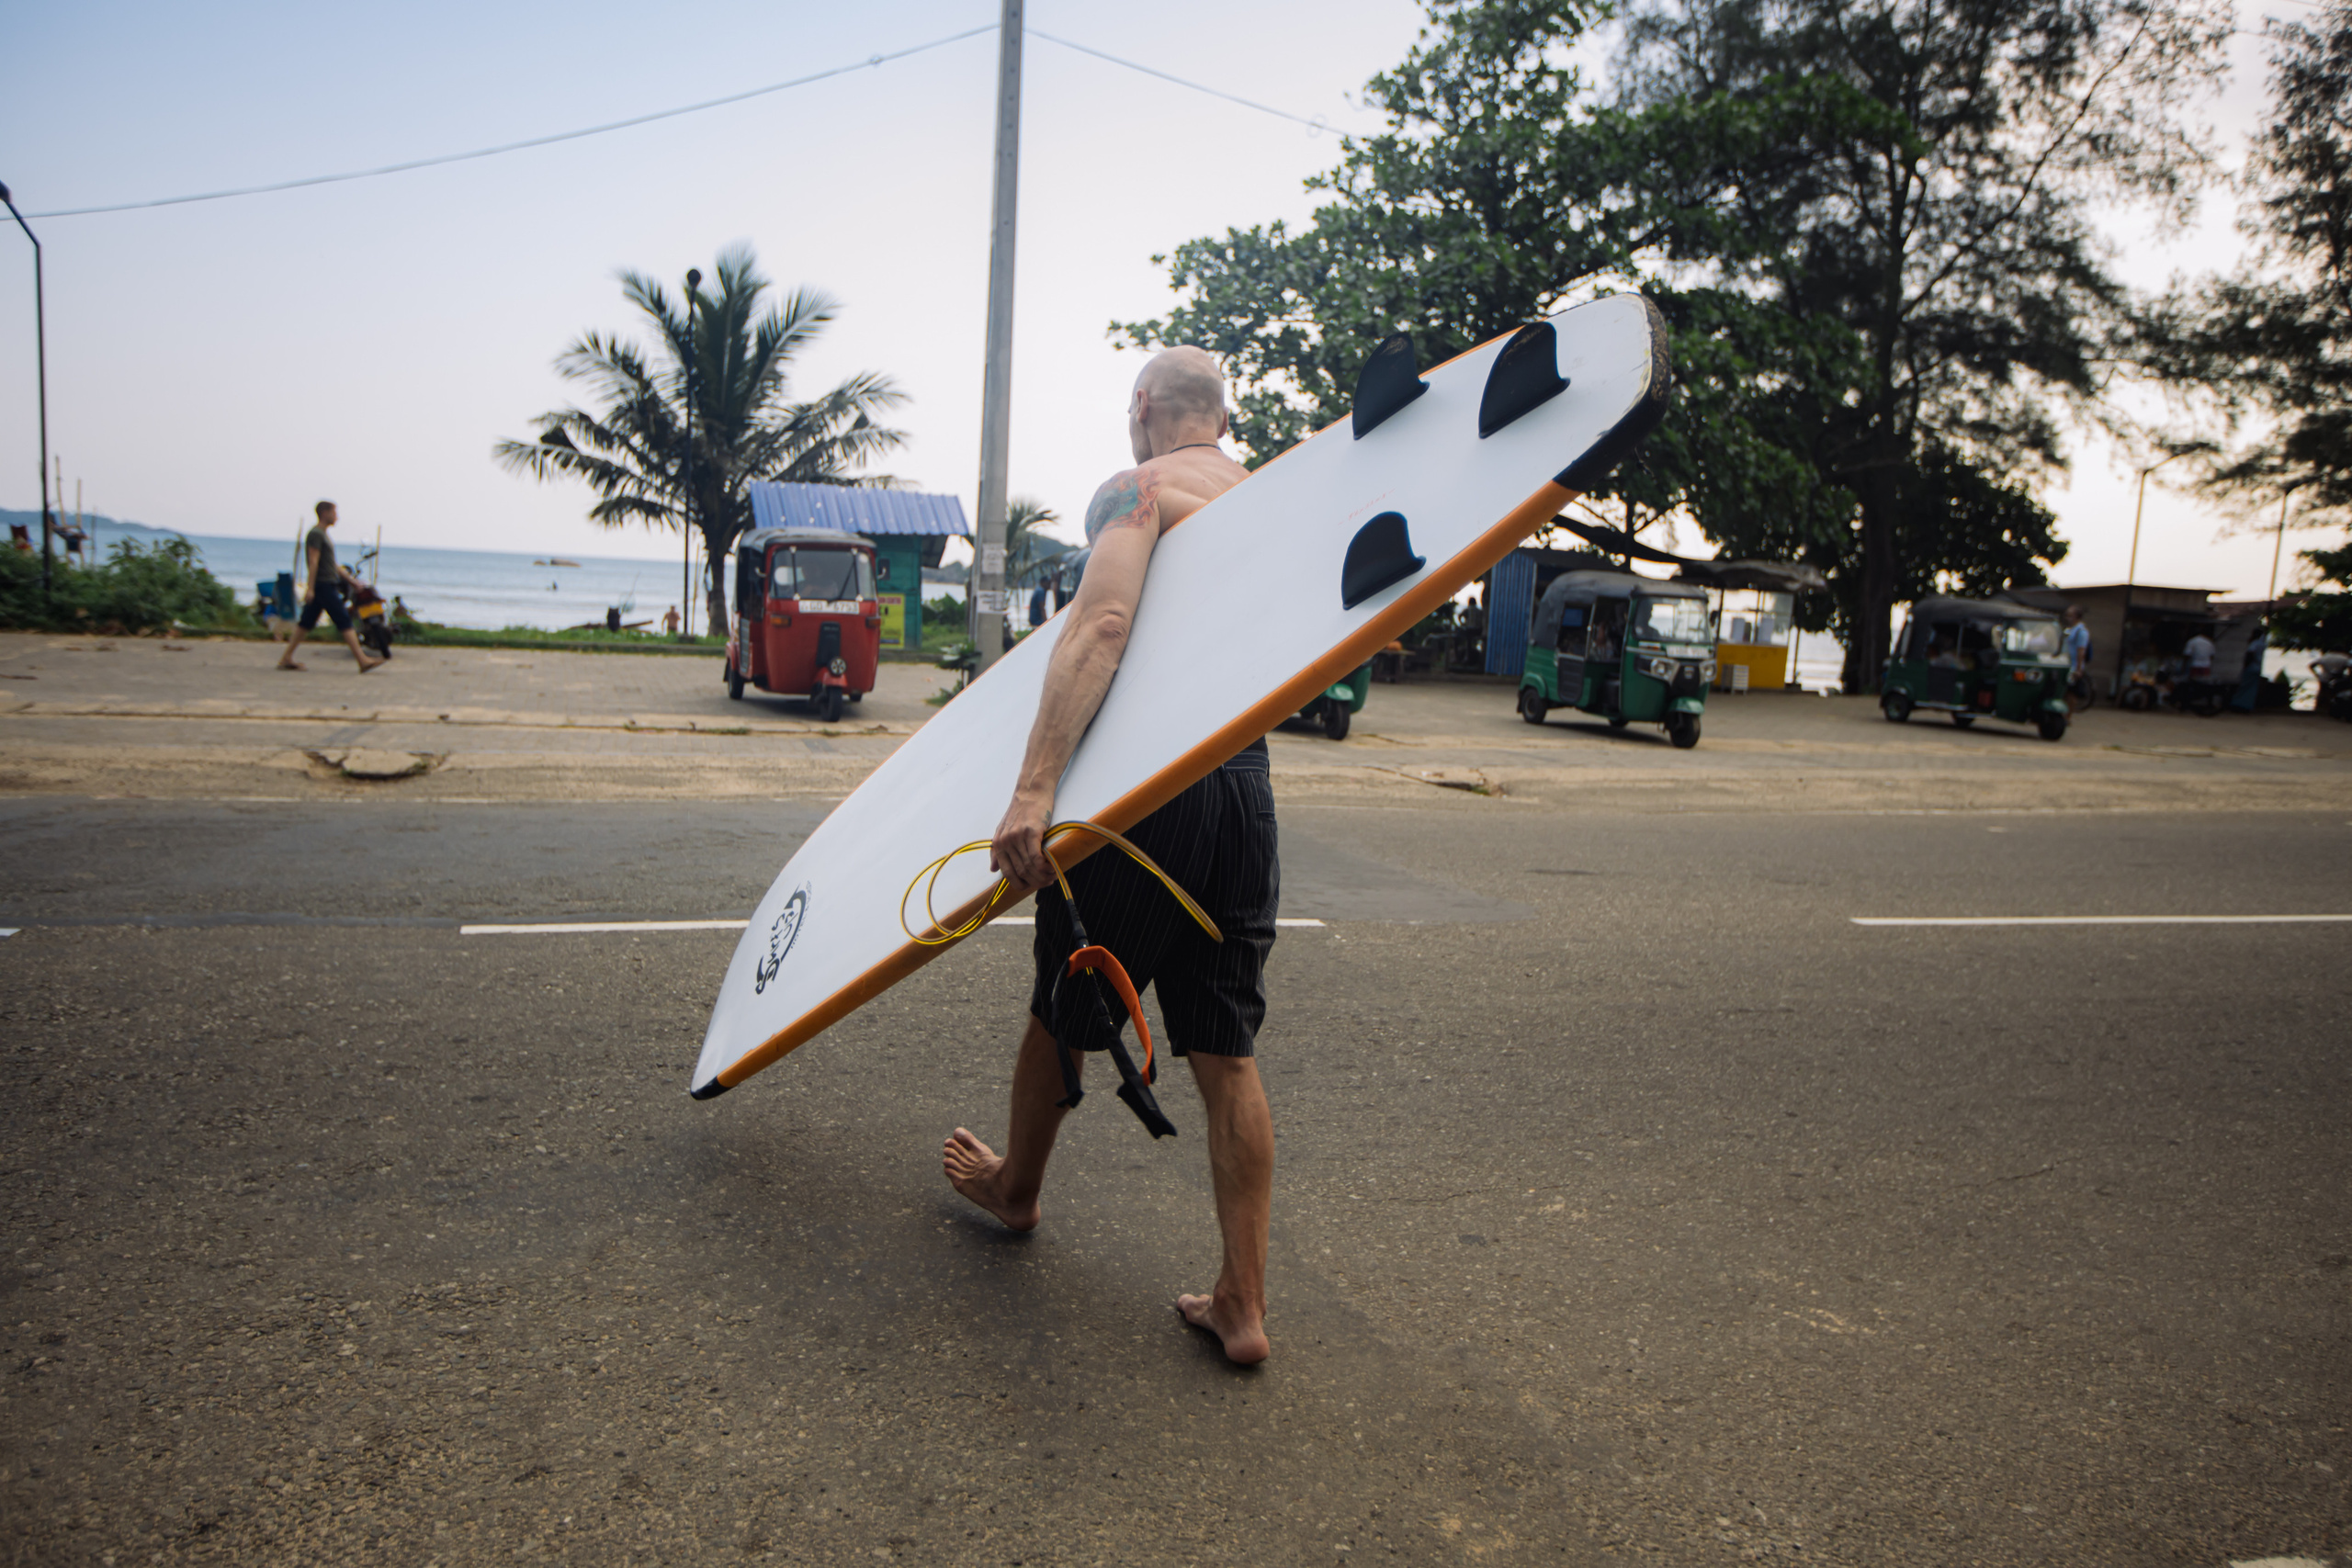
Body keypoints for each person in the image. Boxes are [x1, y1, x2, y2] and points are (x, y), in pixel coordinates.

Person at [941, 346, 1277, 1365]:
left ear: (1143, 409)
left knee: (1066, 1002)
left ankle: (1017, 1191)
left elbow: (1102, 625)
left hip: (1149, 791)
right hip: (1244, 786)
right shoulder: (1272, 500)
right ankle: (1243, 1304)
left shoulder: (1143, 489)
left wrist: (1035, 786)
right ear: (1222, 417)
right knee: (1225, 1051)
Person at [276, 501, 384, 672]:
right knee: (344, 620)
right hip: (323, 585)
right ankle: (362, 660)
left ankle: (286, 658)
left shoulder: (324, 535)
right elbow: (313, 561)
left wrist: (352, 581)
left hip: (325, 584)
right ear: (325, 513)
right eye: (334, 512)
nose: (337, 516)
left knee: (306, 623)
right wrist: (310, 588)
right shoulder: (316, 534)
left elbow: (333, 564)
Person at [2233, 620, 2270, 713]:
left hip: (2251, 667)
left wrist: (2245, 666)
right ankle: (2247, 705)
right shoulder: (2262, 644)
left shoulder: (2254, 644)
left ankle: (2239, 704)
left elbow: (2250, 654)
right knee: (2252, 688)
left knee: (2244, 686)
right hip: (2257, 668)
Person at [2061, 605, 2092, 711]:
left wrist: (2078, 669)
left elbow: (2081, 651)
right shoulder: (2070, 630)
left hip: (2074, 667)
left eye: (2069, 615)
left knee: (2072, 693)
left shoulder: (2081, 632)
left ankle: (2068, 717)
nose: (2067, 617)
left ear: (2076, 617)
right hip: (2066, 664)